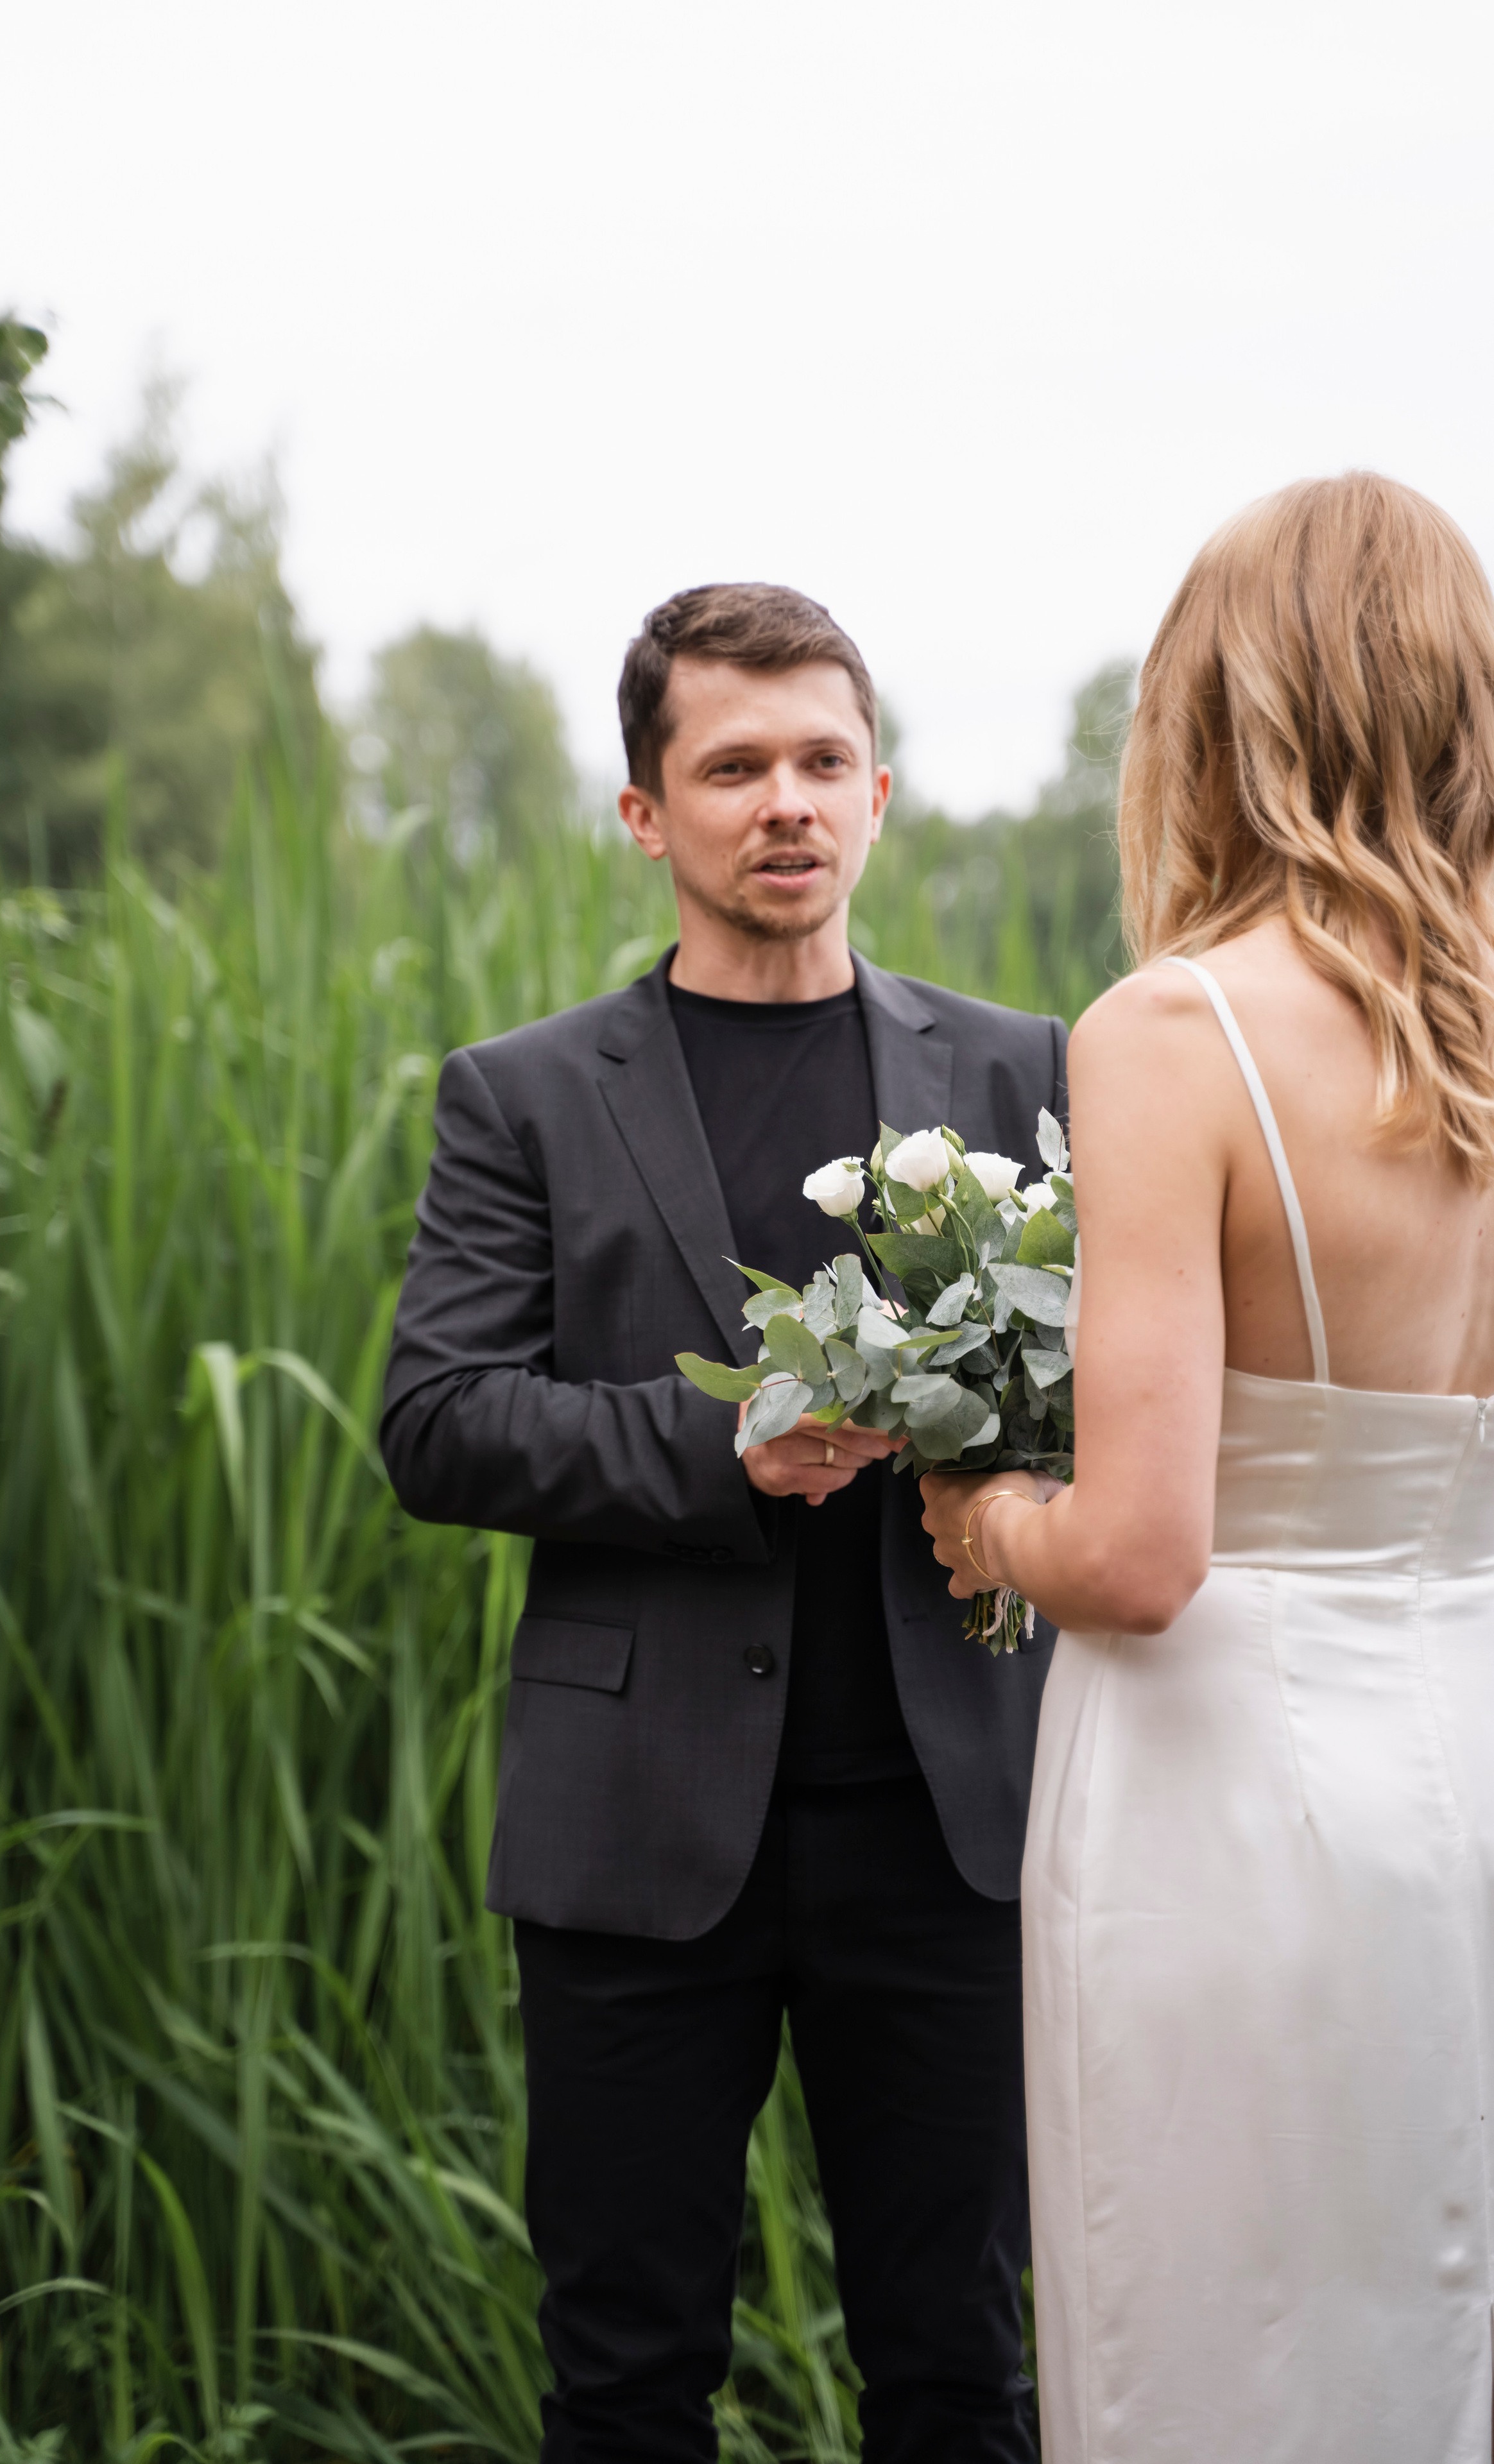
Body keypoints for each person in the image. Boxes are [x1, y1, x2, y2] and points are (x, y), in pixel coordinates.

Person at [382, 583, 1066, 2462]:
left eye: (823, 761)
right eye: (735, 764)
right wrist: (724, 1456)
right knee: (625, 2380)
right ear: (645, 810)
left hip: (952, 1839)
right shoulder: (521, 1097)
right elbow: (435, 1425)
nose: (787, 801)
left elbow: (1120, 1399)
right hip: (635, 1843)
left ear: (881, 791)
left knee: (958, 2371)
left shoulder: (1028, 1072)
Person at [922, 472, 1494, 2462]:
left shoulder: (1179, 1030)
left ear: (1219, 709)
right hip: (1472, 1737)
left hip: (1232, 1790)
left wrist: (986, 1515)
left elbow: (1144, 1551)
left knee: (1215, 2327)